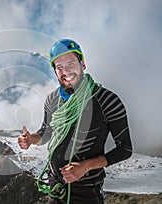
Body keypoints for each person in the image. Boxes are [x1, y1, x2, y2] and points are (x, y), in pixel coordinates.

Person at [18, 39, 132, 204]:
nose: (66, 71)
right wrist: (31, 139)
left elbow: (125, 149)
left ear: (82, 64)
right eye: (59, 67)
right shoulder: (52, 99)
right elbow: (46, 132)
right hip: (55, 187)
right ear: (55, 71)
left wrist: (85, 166)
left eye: (71, 63)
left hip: (86, 191)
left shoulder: (106, 101)